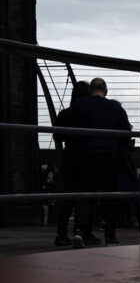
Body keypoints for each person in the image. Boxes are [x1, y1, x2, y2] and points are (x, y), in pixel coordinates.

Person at [71, 77, 133, 246]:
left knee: (85, 194)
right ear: (106, 91)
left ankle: (79, 231)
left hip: (86, 154)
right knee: (109, 196)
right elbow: (126, 135)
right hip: (110, 155)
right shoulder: (115, 108)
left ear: (91, 90)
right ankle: (110, 236)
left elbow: (71, 131)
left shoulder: (80, 105)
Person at [52, 80, 91, 246]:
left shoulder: (65, 113)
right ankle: (80, 231)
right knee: (86, 197)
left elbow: (58, 137)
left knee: (68, 197)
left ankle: (61, 233)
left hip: (69, 157)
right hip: (87, 157)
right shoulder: (88, 114)